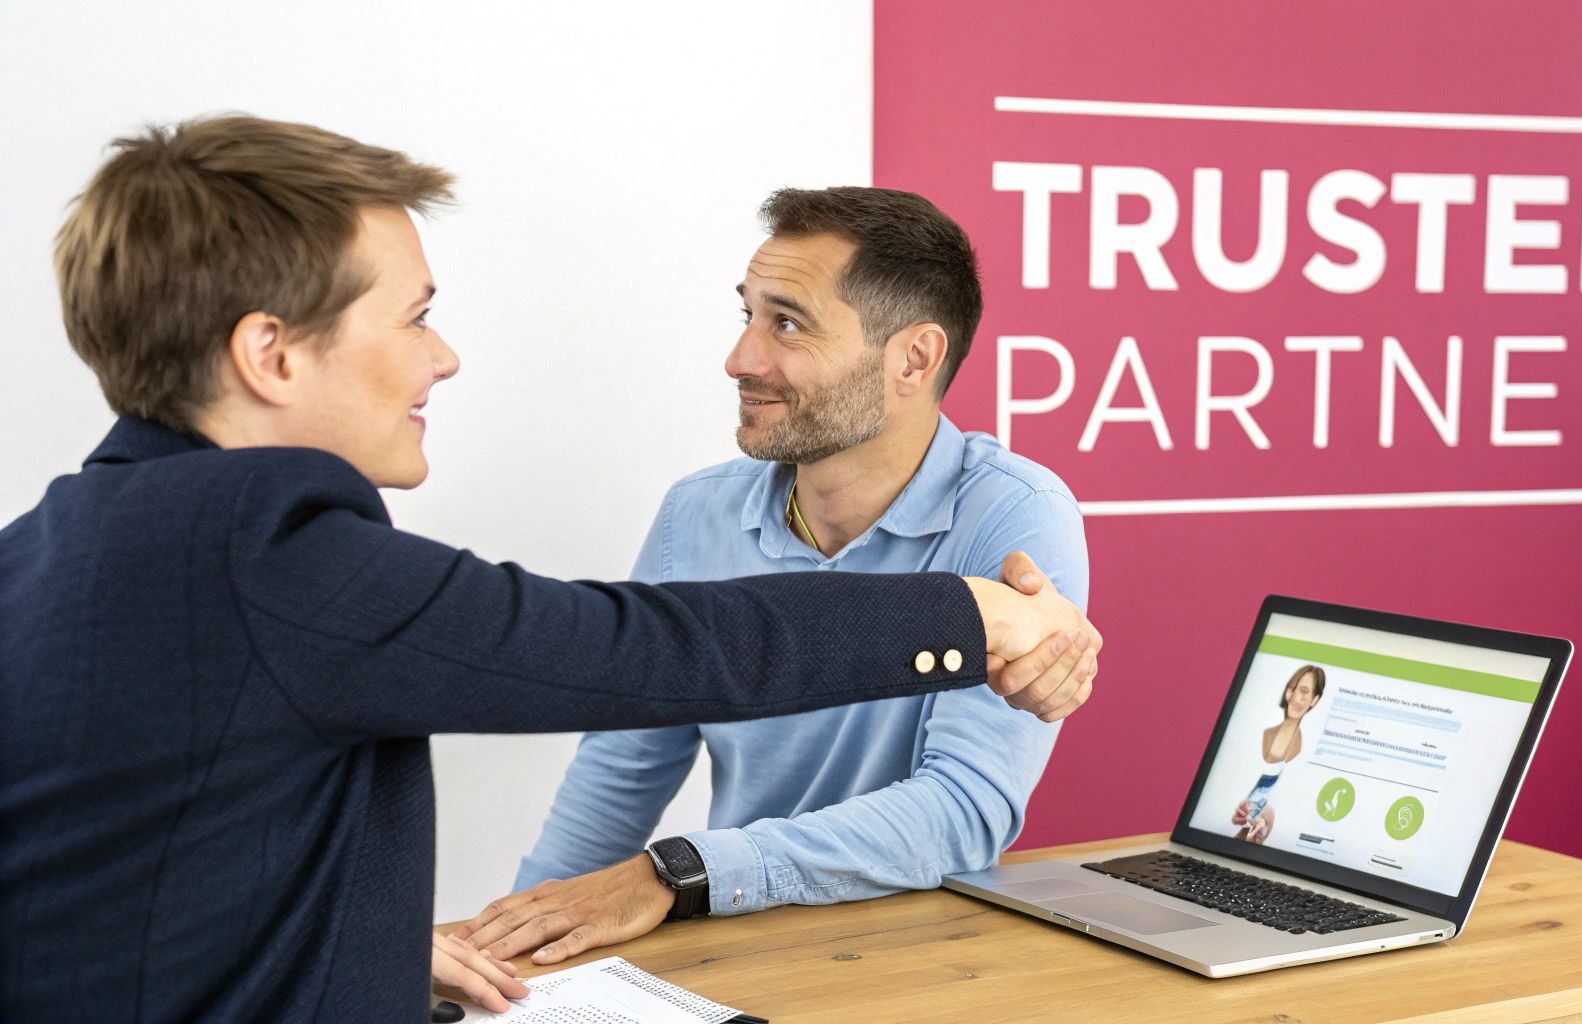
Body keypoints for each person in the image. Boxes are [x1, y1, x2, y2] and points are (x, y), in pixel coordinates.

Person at [0, 116, 1101, 1024]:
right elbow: (634, 654)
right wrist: (980, 615)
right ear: (270, 354)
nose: (444, 356)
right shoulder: (268, 552)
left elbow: (156, 879)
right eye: (416, 316)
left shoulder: (57, 544)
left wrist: (376, 950)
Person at [453, 187, 1090, 974]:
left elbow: (962, 812)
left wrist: (680, 872)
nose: (741, 358)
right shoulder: (697, 514)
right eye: (747, 315)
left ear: (913, 359)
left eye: (786, 323)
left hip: (927, 961)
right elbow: (624, 764)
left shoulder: (1013, 516)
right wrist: (506, 949)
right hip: (740, 935)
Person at [1231, 665, 1326, 843]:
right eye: (1293, 689)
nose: (1297, 698)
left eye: (1305, 692)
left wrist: (1262, 822)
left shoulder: (1304, 754)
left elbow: (1271, 812)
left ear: (1314, 700)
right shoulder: (1260, 734)